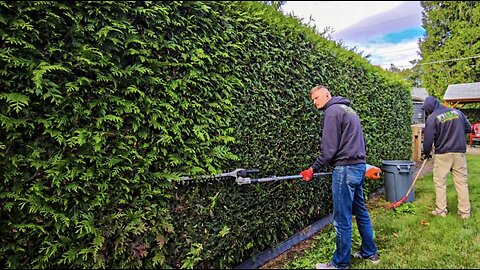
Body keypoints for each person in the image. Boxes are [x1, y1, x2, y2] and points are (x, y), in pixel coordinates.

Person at [300, 85, 379, 269]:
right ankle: (370, 253)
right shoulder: (348, 110)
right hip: (358, 167)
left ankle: (340, 264)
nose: (315, 102)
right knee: (361, 212)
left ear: (327, 95)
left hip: (344, 170)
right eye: (313, 100)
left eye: (317, 98)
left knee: (341, 218)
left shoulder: (331, 112)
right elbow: (361, 141)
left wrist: (313, 168)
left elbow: (328, 150)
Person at [421, 95, 472, 219]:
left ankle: (441, 210)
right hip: (459, 152)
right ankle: (465, 213)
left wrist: (426, 152)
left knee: (440, 182)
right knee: (461, 182)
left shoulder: (432, 118)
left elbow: (428, 139)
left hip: (443, 154)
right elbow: (468, 128)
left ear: (430, 108)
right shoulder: (458, 113)